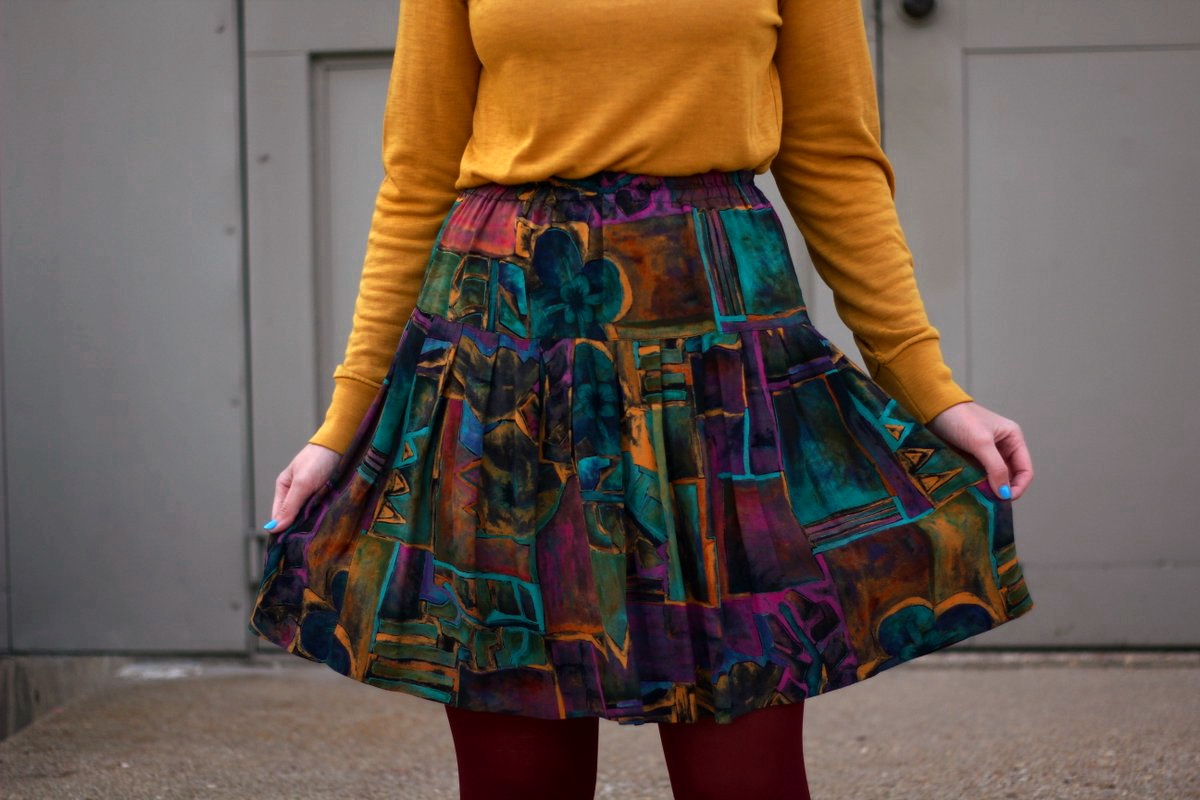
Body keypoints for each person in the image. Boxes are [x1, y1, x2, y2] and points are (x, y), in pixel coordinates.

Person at [249, 1, 1035, 798]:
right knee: (516, 762)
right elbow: (415, 177)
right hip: (506, 359)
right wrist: (340, 426)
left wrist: (930, 389)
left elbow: (834, 161)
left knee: (745, 754)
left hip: (714, 356)